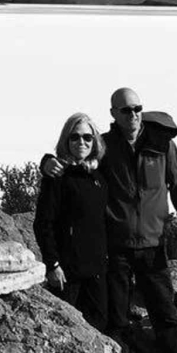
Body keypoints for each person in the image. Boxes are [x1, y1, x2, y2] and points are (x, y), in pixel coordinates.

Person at [43, 87, 177, 353]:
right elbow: (76, 161)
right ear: (113, 115)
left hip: (153, 246)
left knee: (166, 317)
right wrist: (47, 161)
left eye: (137, 109)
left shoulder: (162, 145)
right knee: (115, 319)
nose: (132, 115)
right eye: (125, 110)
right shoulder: (106, 147)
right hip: (115, 248)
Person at [33, 112, 110, 331]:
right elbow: (42, 223)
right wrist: (53, 264)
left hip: (97, 272)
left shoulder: (99, 177)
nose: (81, 142)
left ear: (95, 141)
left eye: (87, 137)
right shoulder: (57, 176)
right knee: (65, 332)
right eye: (74, 137)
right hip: (66, 274)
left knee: (98, 330)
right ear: (66, 140)